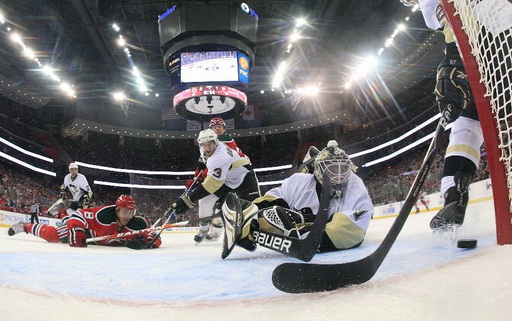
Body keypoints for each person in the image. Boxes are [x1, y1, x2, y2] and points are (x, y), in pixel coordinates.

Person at [400, 0, 483, 230]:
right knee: (466, 124)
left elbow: (457, 14)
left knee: (466, 126)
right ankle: (454, 195)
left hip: (495, 37)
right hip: (484, 51)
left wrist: (455, 60)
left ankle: (455, 194)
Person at [220, 141, 374, 258]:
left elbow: (354, 226)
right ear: (319, 169)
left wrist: (309, 238)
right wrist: (250, 216)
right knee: (269, 215)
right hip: (304, 228)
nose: (339, 175)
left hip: (323, 231)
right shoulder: (298, 182)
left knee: (341, 224)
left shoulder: (355, 186)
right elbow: (272, 199)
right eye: (333, 169)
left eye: (343, 169)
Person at [172, 128, 260, 243]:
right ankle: (203, 230)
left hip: (244, 177)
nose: (208, 148)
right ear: (200, 144)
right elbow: (204, 164)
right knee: (204, 200)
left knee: (255, 206)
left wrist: (188, 201)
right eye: (204, 145)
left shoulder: (219, 156)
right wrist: (197, 176)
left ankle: (259, 229)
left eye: (210, 144)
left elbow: (212, 184)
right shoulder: (204, 149)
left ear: (216, 142)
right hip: (226, 179)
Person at [7, 195, 161, 248]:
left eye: (131, 212)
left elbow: (155, 234)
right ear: (117, 209)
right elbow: (79, 215)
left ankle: (61, 211)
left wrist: (152, 241)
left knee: (65, 221)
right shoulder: (102, 215)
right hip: (87, 231)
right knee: (54, 235)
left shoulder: (138, 223)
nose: (128, 215)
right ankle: (25, 226)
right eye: (125, 211)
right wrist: (76, 229)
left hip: (96, 240)